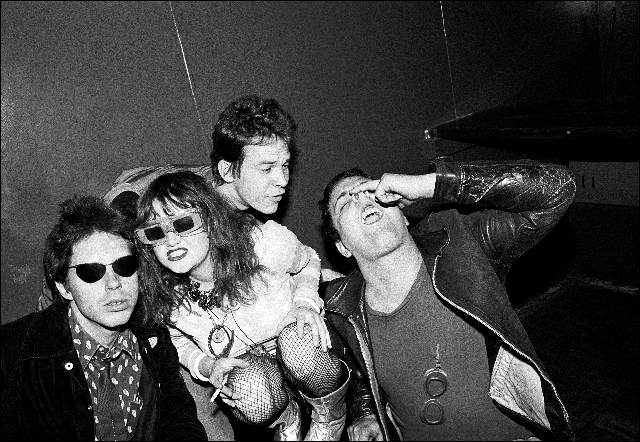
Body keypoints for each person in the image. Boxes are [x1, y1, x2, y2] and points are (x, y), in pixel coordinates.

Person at [318, 158, 576, 441]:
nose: (362, 200)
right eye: (345, 202)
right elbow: (356, 364)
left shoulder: (462, 243)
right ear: (342, 246)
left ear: (404, 215)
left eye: (370, 190)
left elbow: (558, 190)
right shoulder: (341, 307)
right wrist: (366, 411)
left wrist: (432, 184)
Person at [134, 171, 350, 441]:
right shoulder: (167, 295)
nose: (171, 241)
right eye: (155, 232)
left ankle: (331, 415)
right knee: (247, 389)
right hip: (262, 374)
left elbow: (308, 260)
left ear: (211, 219)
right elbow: (178, 343)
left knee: (297, 343)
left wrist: (305, 303)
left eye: (183, 223)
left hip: (306, 351)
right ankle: (288, 419)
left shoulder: (262, 243)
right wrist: (207, 366)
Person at [2, 195, 207, 441]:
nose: (113, 284)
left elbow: (178, 421)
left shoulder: (153, 336)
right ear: (63, 287)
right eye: (91, 272)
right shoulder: (13, 354)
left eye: (124, 266)